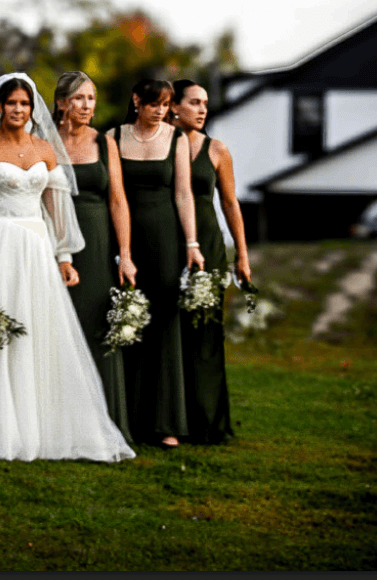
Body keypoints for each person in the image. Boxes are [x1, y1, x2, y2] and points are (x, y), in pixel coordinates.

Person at [0, 72, 136, 463]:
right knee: (0, 331)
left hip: (38, 246)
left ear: (32, 109)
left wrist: (64, 256)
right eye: (12, 104)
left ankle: (39, 420)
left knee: (39, 329)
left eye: (25, 104)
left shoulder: (45, 149)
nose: (19, 110)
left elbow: (56, 208)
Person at [107, 79, 205, 449]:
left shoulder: (177, 139)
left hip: (165, 237)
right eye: (153, 104)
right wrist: (120, 247)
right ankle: (126, 418)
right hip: (123, 237)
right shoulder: (113, 136)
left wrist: (191, 244)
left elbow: (183, 193)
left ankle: (167, 422)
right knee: (125, 321)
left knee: (164, 325)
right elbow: (112, 192)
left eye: (165, 105)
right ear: (136, 102)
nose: (160, 111)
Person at [53, 71, 135, 443]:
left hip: (98, 244)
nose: (88, 106)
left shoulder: (105, 143)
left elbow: (118, 199)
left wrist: (126, 254)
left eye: (92, 99)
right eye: (80, 98)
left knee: (99, 328)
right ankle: (59, 422)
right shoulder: (42, 142)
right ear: (61, 103)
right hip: (53, 243)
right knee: (57, 329)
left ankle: (106, 422)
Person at [169, 79, 251, 444]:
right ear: (174, 106)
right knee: (170, 334)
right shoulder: (155, 145)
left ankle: (207, 422)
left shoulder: (217, 150)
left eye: (205, 104)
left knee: (204, 335)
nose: (202, 110)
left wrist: (242, 257)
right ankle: (170, 419)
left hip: (210, 250)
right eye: (194, 103)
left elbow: (231, 204)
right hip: (166, 245)